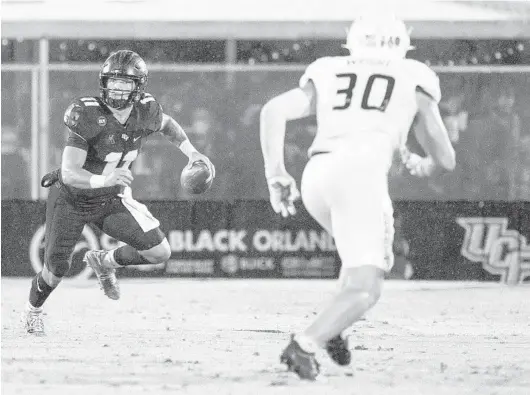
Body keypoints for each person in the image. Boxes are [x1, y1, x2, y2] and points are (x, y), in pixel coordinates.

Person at [260, 16, 455, 380]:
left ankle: (335, 328)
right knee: (368, 288)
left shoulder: (329, 68)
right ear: (401, 44)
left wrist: (276, 173)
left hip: (316, 175)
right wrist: (424, 164)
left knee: (354, 267)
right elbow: (445, 157)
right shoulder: (413, 72)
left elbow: (273, 110)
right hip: (360, 175)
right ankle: (305, 343)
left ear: (352, 42)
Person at [22, 50, 215, 336]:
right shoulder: (87, 113)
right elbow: (69, 172)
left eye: (125, 82)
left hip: (111, 198)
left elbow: (167, 124)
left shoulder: (146, 110)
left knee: (159, 252)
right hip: (71, 198)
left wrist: (192, 151)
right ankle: (32, 311)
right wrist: (105, 178)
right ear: (103, 81)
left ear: (138, 87)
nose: (117, 88)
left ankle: (105, 260)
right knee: (55, 270)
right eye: (113, 81)